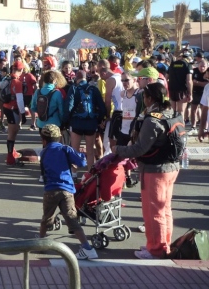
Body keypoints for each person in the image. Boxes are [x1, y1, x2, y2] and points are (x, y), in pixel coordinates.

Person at [112, 83, 181, 259]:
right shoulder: (172, 113)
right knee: (165, 208)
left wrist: (118, 149)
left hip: (155, 170)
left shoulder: (152, 120)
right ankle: (162, 245)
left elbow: (139, 149)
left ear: (149, 98)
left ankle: (156, 250)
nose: (143, 99)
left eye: (144, 97)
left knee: (153, 211)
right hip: (171, 167)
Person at [38, 124, 98, 260]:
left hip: (51, 190)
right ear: (60, 138)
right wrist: (77, 157)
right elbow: (82, 162)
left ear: (44, 140)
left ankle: (41, 243)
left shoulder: (44, 152)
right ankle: (87, 248)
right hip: (67, 190)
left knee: (46, 218)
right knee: (72, 219)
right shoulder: (66, 149)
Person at [64, 70, 106, 174]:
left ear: (76, 78)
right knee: (90, 151)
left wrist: (67, 121)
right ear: (86, 78)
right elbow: (102, 108)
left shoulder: (73, 88)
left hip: (76, 122)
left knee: (75, 150)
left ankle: (74, 174)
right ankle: (91, 174)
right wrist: (98, 120)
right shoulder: (94, 89)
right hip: (91, 123)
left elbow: (69, 106)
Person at [2, 61, 27, 166]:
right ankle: (10, 158)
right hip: (13, 109)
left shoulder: (7, 78)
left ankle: (12, 152)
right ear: (21, 70)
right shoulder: (17, 82)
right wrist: (23, 114)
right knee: (12, 134)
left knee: (11, 132)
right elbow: (20, 100)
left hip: (6, 107)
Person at [167, 51, 193, 118]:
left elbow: (166, 77)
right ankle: (180, 124)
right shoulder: (188, 65)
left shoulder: (172, 64)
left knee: (172, 112)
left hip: (171, 89)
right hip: (182, 90)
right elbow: (189, 81)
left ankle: (172, 124)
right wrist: (190, 94)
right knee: (180, 112)